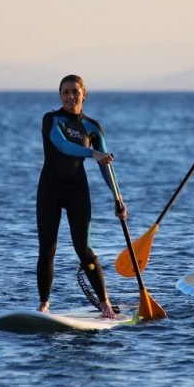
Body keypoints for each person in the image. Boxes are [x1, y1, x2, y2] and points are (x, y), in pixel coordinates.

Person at [36, 74, 125, 318]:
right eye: (65, 92)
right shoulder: (51, 120)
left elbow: (107, 165)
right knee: (47, 248)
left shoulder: (92, 127)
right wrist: (91, 153)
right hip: (50, 190)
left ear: (84, 94)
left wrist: (118, 197)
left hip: (77, 192)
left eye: (75, 92)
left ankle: (105, 303)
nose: (70, 96)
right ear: (60, 95)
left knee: (83, 248)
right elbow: (61, 144)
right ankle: (44, 304)